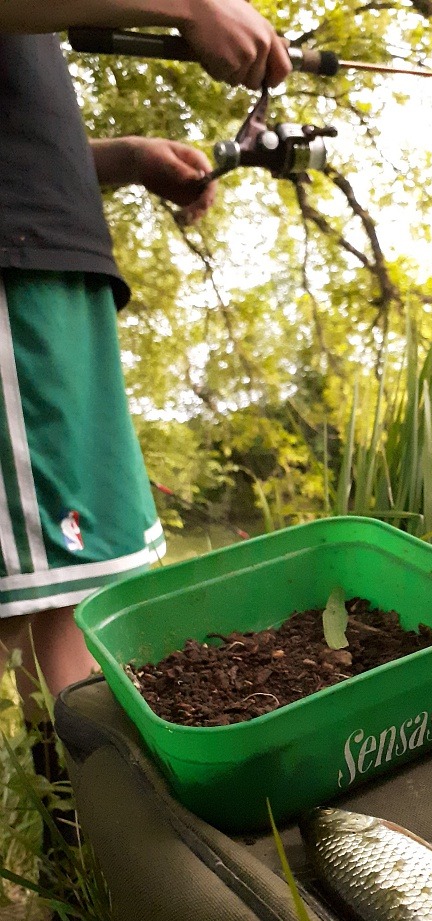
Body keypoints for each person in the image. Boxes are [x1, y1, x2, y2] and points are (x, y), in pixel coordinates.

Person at [0, 3, 292, 719]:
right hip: (17, 278)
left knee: (69, 603)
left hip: (48, 274)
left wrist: (115, 159)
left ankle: (70, 829)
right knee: (45, 605)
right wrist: (188, 7)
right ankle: (87, 826)